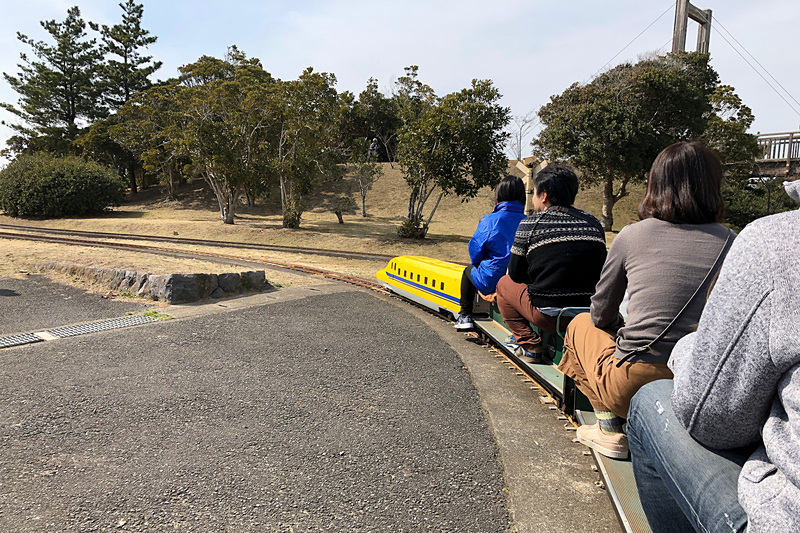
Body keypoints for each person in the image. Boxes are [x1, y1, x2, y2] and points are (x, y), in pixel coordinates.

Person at [627, 195, 800, 533]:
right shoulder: (730, 238)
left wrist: (686, 345)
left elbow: (712, 420)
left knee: (647, 396)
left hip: (783, 519)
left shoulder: (774, 240)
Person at [561, 142, 735, 459]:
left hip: (632, 383)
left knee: (579, 324)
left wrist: (619, 330)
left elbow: (600, 315)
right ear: (713, 186)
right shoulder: (732, 243)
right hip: (696, 387)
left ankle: (608, 429)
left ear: (655, 184)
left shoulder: (632, 235)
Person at [494, 166, 607, 363]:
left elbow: (516, 274)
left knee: (503, 284)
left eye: (535, 193)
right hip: (589, 314)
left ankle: (529, 345)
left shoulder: (530, 224)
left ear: (543, 195)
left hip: (548, 316)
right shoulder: (593, 223)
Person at [454, 175, 526, 330]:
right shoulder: (528, 221)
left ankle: (464, 315)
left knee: (468, 271)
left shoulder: (490, 220)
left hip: (492, 280)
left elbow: (475, 252)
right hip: (518, 281)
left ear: (499, 196)